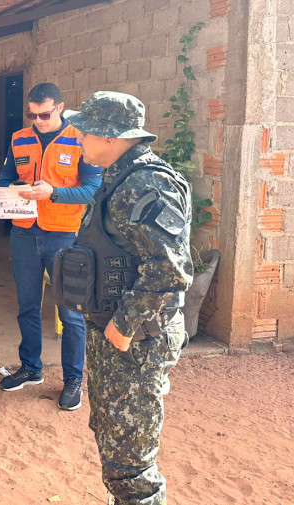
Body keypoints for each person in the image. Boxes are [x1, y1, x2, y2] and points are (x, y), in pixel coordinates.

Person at [60, 91, 192, 504]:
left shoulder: (145, 184)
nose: (79, 138)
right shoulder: (119, 176)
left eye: (86, 131)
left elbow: (170, 270)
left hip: (135, 341)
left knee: (132, 470)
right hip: (116, 336)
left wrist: (124, 324)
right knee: (114, 447)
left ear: (112, 136)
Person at [0, 82, 102, 411]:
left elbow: (92, 190)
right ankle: (31, 368)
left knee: (70, 312)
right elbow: (4, 179)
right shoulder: (19, 139)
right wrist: (15, 189)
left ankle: (73, 380)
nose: (38, 120)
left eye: (44, 114)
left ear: (60, 107)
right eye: (32, 114)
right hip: (24, 233)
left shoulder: (80, 139)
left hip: (64, 235)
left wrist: (53, 193)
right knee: (27, 306)